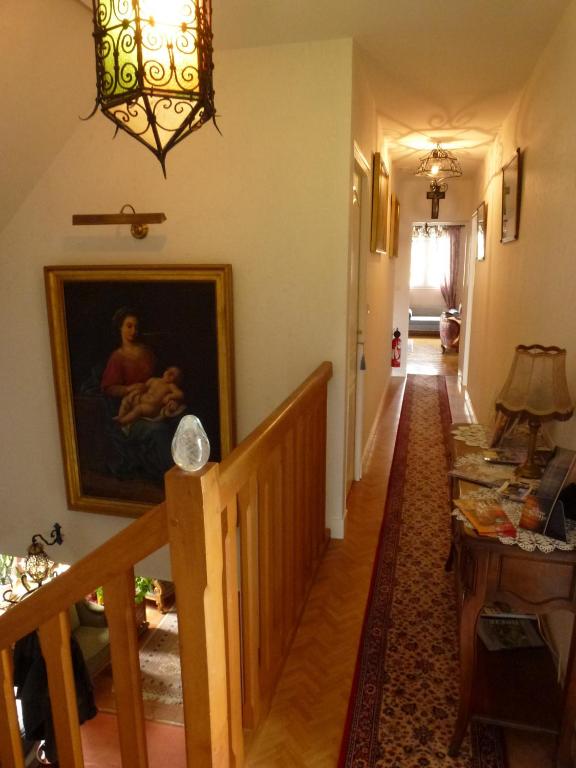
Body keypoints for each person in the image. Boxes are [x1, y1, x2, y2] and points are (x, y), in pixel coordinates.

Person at [100, 307, 156, 399]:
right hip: (130, 402)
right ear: (120, 327)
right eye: (129, 326)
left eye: (136, 327)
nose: (134, 331)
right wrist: (129, 389)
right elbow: (108, 388)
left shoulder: (147, 352)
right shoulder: (117, 357)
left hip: (152, 397)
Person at [114, 366, 185, 426]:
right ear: (164, 372)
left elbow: (180, 394)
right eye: (168, 371)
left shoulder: (171, 386)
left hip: (152, 407)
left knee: (139, 409)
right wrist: (136, 391)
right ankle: (121, 416)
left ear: (176, 380)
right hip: (141, 399)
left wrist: (169, 396)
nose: (169, 374)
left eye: (173, 374)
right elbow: (144, 387)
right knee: (126, 399)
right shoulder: (153, 380)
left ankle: (122, 422)